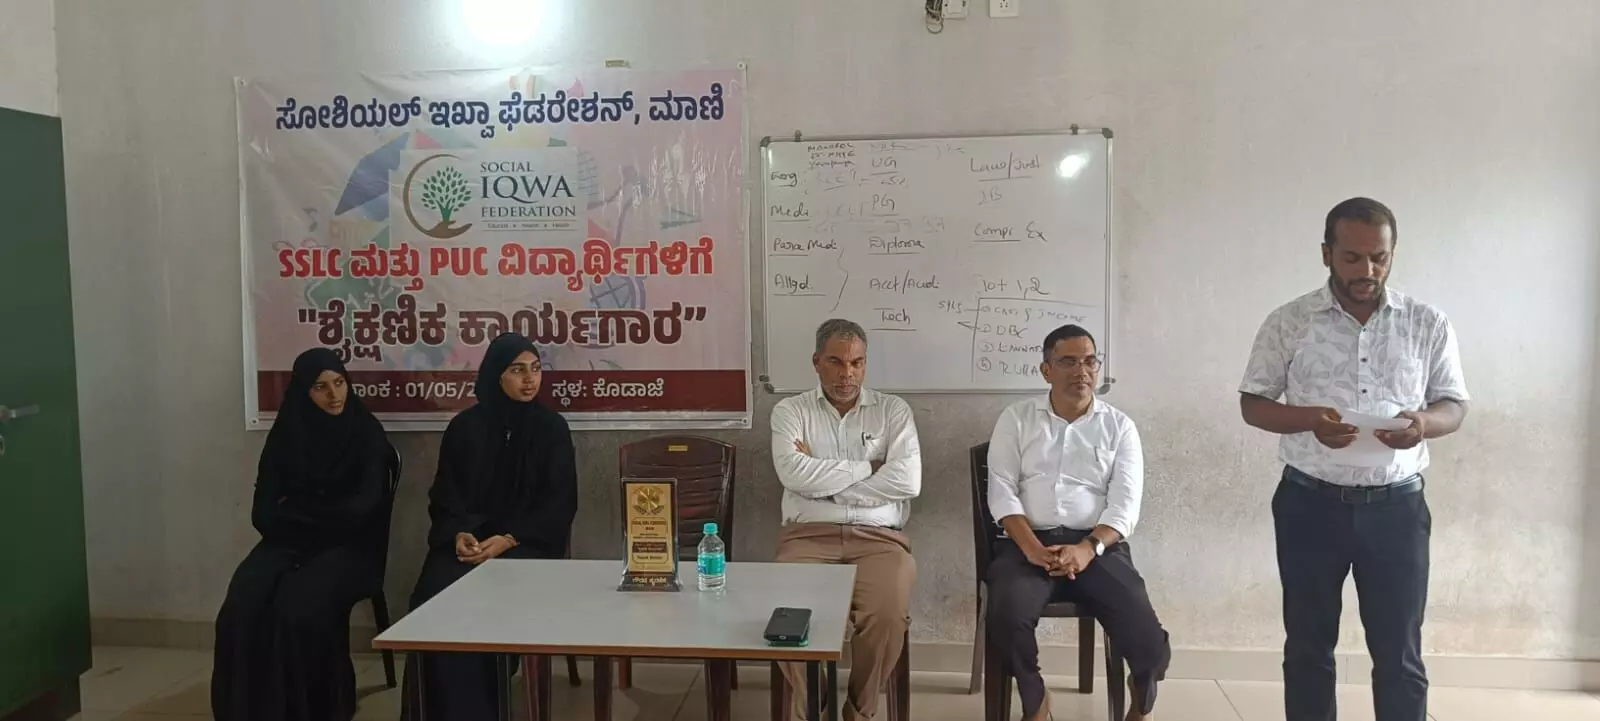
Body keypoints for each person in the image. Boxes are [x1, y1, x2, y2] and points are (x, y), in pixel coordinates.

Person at [1239, 198, 1470, 721]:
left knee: (1400, 653)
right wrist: (1309, 420)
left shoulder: (1427, 323)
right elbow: (1253, 404)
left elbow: (1454, 406)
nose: (1367, 270)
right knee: (1308, 647)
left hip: (1397, 511)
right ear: (1326, 254)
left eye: (1379, 258)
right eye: (1352, 258)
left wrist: (1422, 423)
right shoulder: (1289, 321)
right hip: (1309, 505)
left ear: (1392, 254)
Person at [985, 324, 1168, 721]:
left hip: (1097, 547)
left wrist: (1088, 548)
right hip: (1026, 545)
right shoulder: (1016, 419)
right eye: (1068, 362)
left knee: (1149, 640)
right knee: (1006, 617)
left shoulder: (1119, 427)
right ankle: (1035, 700)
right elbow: (1001, 492)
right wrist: (1033, 549)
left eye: (1089, 361)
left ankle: (1141, 701)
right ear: (1046, 370)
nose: (1081, 371)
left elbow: (1125, 506)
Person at [402, 333, 578, 721]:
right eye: (518, 370)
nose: (530, 380)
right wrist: (458, 534)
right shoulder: (465, 428)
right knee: (434, 596)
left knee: (488, 599)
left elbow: (560, 504)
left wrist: (509, 539)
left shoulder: (551, 429)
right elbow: (445, 496)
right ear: (497, 375)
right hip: (469, 543)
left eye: (536, 369)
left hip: (527, 543)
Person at [213, 348, 394, 721]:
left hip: (352, 548)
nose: (334, 395)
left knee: (296, 607)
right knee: (240, 605)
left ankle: (314, 708)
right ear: (302, 391)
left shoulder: (366, 433)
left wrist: (298, 515)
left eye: (339, 383)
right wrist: (313, 521)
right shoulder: (287, 434)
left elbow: (360, 511)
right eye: (320, 387)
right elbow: (263, 512)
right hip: (288, 543)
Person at [771, 319, 921, 721]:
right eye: (836, 362)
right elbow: (793, 475)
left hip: (880, 541)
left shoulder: (892, 411)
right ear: (816, 362)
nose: (847, 374)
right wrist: (871, 467)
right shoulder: (791, 411)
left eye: (857, 363)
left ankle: (860, 711)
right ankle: (815, 709)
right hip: (807, 539)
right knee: (789, 614)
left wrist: (824, 484)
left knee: (887, 613)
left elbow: (908, 480)